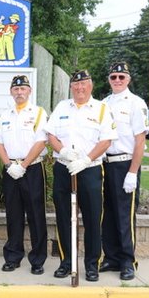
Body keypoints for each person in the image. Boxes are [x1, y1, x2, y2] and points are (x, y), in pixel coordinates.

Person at [45, 70, 117, 282]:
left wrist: (85, 159)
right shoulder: (61, 107)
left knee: (93, 218)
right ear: (71, 87)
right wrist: (64, 151)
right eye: (76, 85)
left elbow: (106, 140)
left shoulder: (102, 109)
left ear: (91, 85)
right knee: (64, 217)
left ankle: (92, 265)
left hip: (90, 168)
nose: (79, 88)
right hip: (64, 167)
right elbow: (51, 135)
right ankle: (67, 263)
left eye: (83, 84)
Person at [0, 75, 48, 275]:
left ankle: (37, 259)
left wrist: (24, 165)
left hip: (32, 168)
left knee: (36, 215)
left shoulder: (38, 113)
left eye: (23, 89)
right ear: (11, 91)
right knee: (13, 215)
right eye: (16, 89)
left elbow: (41, 141)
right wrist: (8, 164)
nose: (19, 92)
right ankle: (13, 257)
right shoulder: (4, 115)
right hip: (10, 169)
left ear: (29, 91)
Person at [101, 62, 149, 281]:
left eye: (121, 76)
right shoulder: (103, 103)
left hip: (125, 163)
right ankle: (111, 257)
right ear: (109, 80)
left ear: (128, 79)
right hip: (105, 164)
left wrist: (133, 172)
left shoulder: (136, 103)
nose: (117, 80)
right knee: (108, 214)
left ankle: (127, 261)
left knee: (125, 216)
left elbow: (140, 141)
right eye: (113, 77)